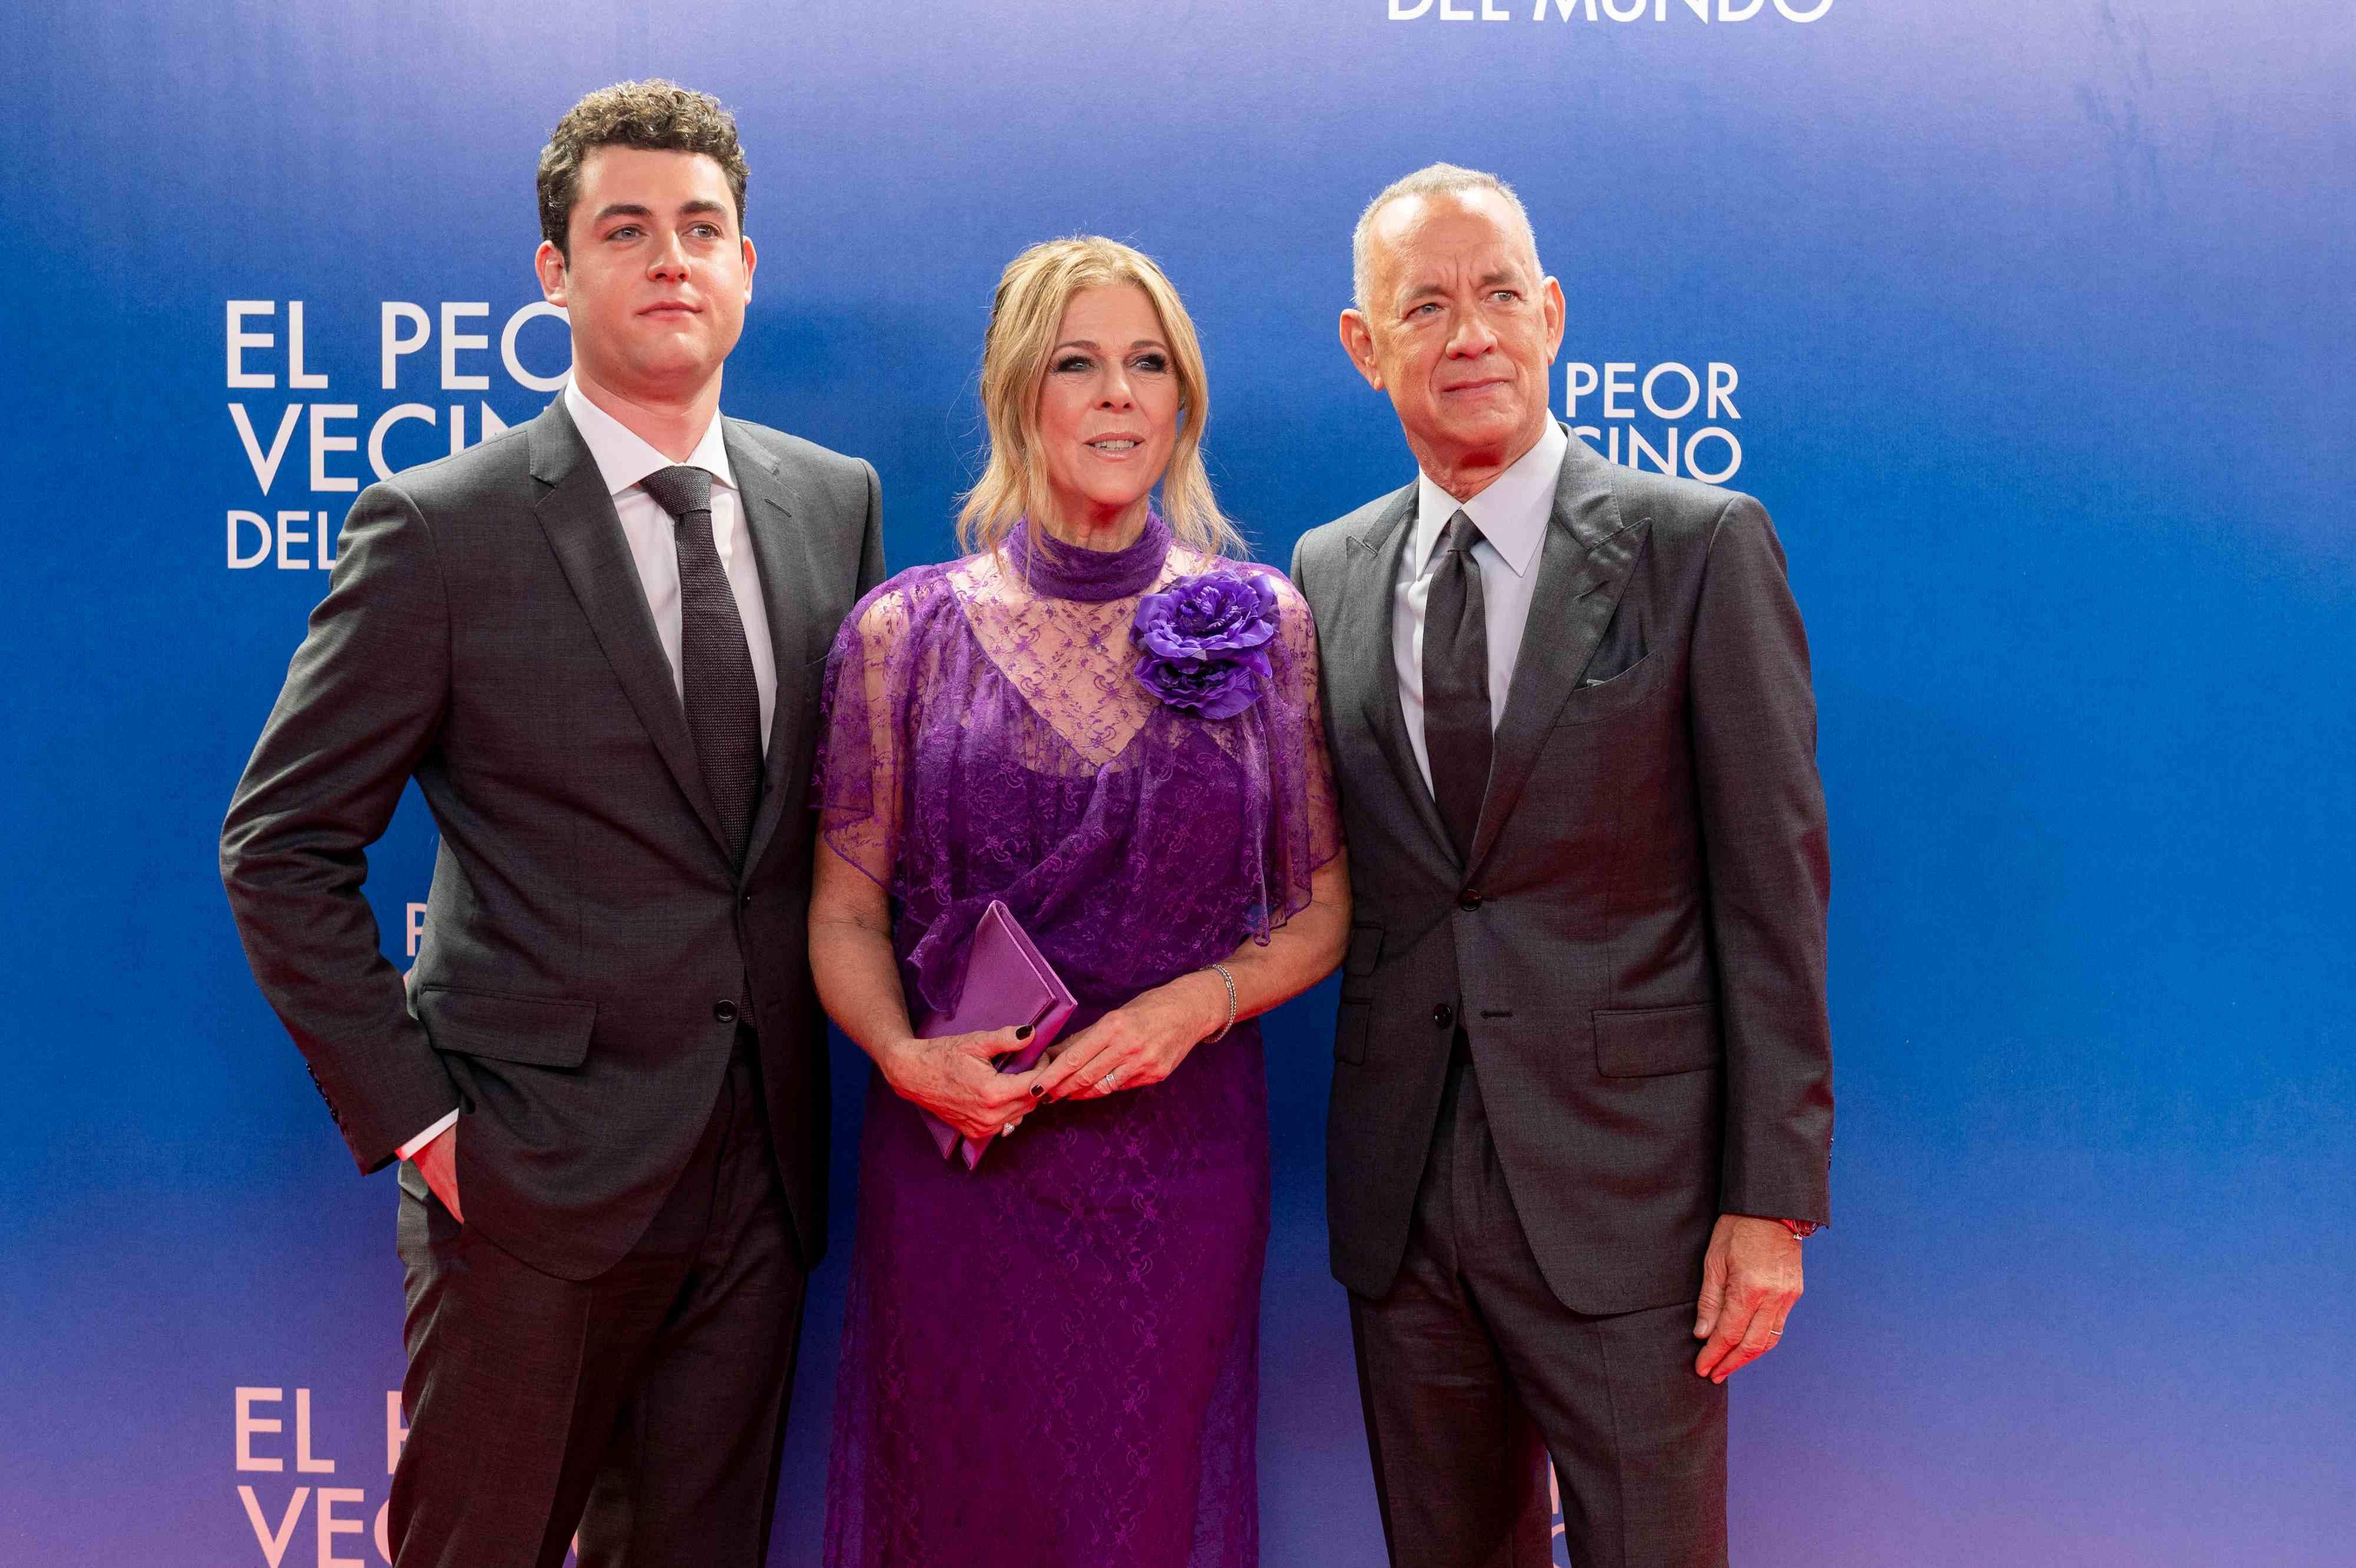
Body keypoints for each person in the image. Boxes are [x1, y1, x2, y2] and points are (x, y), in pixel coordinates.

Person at [219, 81, 882, 1567]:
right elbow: (280, 844)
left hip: (760, 1181)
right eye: (625, 229)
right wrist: (425, 1125)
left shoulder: (831, 501)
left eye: (700, 229)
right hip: (525, 1180)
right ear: (555, 272)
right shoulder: (438, 526)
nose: (670, 260)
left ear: (745, 266)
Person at [1289, 164, 1835, 1568]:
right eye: (1424, 305)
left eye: (1495, 294)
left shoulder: (1695, 546)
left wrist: (1768, 1201)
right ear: (1364, 345)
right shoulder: (1326, 569)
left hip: (1632, 1206)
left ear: (1550, 313)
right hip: (1403, 1204)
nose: (1469, 332)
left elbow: (1771, 897)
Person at [809, 236, 1348, 1568]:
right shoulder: (901, 633)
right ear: (1017, 395)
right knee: (955, 1512)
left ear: (1182, 401)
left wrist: (1197, 1003)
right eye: (1078, 364)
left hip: (1177, 1167)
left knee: (1139, 1515)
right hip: (963, 1153)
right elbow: (842, 915)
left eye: (1147, 364)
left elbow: (1320, 910)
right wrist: (903, 1057)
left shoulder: (1265, 623)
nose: (1117, 394)